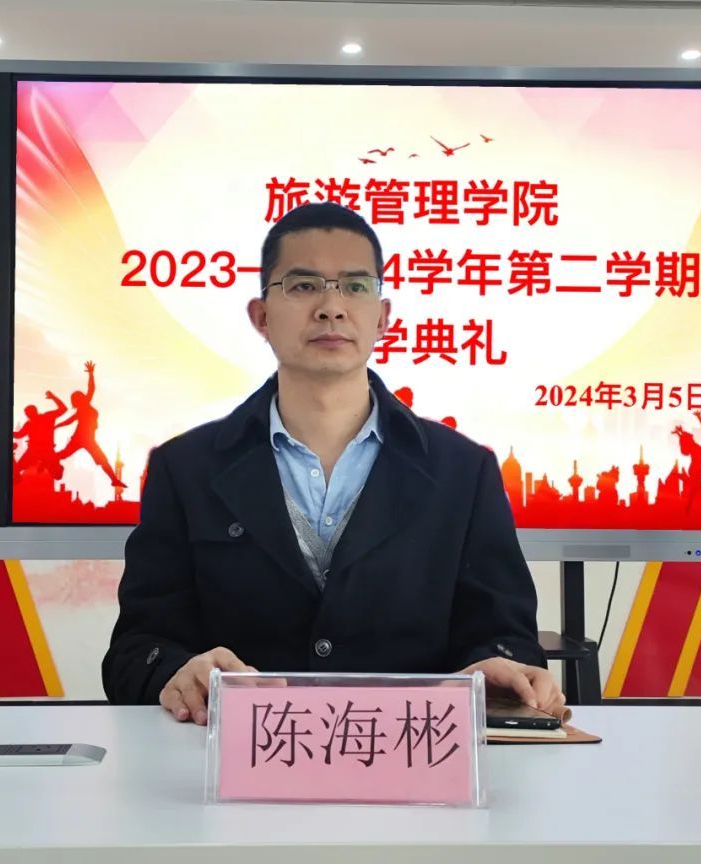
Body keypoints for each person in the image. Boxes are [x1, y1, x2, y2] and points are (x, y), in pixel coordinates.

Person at [102, 203, 563, 723]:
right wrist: (176, 672)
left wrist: (500, 670)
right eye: (303, 286)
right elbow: (135, 650)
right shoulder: (185, 469)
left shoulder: (463, 472)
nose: (331, 308)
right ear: (261, 316)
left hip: (409, 754)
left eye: (355, 286)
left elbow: (506, 637)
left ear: (383, 317)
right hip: (236, 757)